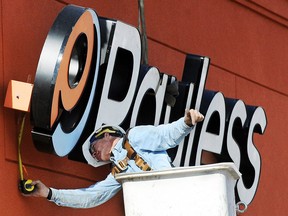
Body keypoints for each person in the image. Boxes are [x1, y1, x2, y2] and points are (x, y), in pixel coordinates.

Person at [26, 109, 204, 208]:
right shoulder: (117, 173)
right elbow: (91, 197)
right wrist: (50, 193)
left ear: (106, 135)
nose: (93, 153)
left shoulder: (133, 137)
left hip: (179, 195)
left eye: (93, 146)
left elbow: (163, 136)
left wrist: (185, 123)